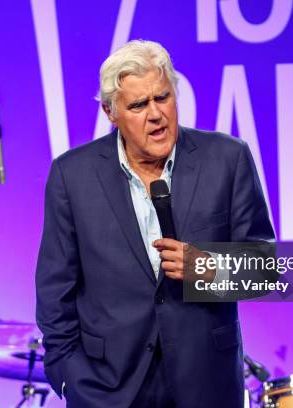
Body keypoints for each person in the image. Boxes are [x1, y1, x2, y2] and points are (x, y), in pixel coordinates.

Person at [36, 40, 274, 408]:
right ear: (110, 112)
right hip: (108, 390)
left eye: (162, 98)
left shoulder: (227, 159)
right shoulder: (72, 175)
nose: (155, 114)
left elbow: (265, 269)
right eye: (138, 105)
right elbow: (56, 291)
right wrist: (70, 379)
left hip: (206, 386)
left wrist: (207, 268)